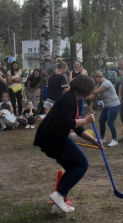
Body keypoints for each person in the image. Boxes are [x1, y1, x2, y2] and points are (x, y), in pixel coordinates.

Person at [34, 75, 101, 214]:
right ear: (86, 90)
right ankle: (59, 196)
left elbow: (77, 128)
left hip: (52, 136)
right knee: (82, 164)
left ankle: (58, 203)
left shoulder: (71, 98)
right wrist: (86, 120)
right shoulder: (69, 100)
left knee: (72, 167)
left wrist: (94, 141)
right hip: (53, 137)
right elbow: (68, 123)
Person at [86, 70, 120, 146]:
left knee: (110, 122)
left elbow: (95, 92)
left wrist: (85, 92)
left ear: (98, 77)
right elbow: (92, 96)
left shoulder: (106, 83)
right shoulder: (99, 84)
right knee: (101, 120)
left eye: (94, 79)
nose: (94, 80)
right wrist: (83, 97)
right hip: (107, 105)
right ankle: (102, 138)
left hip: (114, 105)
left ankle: (115, 140)